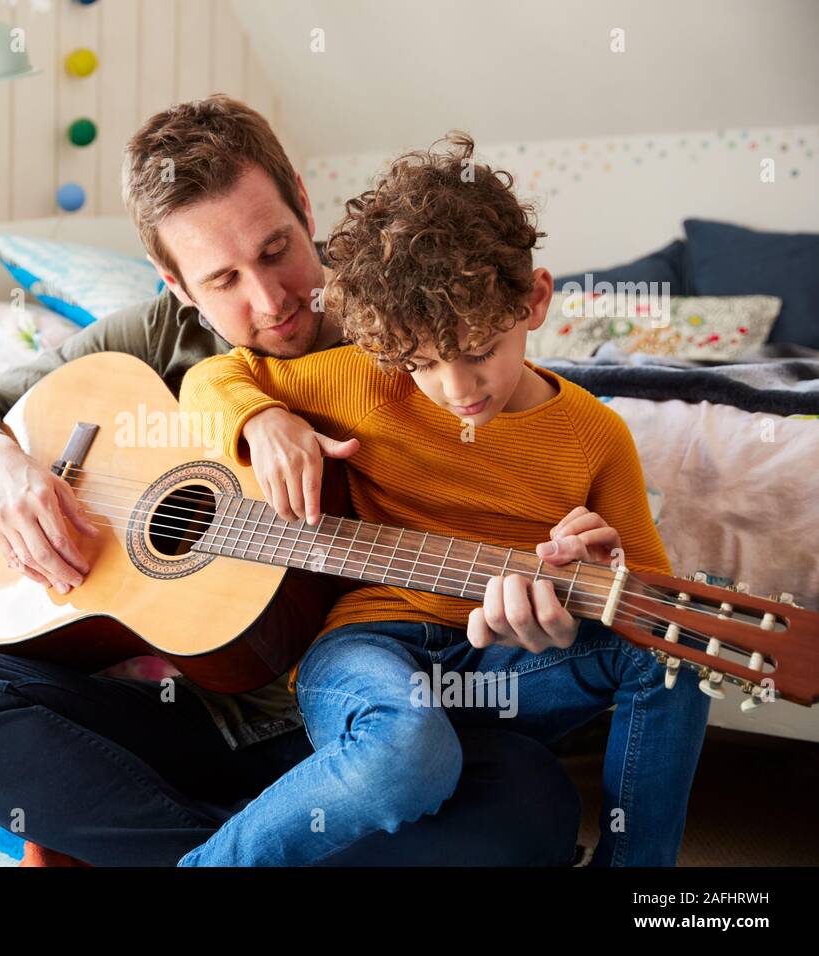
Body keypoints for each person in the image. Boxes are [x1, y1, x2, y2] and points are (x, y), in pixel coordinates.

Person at [0, 98, 582, 866]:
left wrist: (540, 583)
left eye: (278, 248)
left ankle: (191, 846)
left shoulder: (409, 324)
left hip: (367, 732)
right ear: (175, 283)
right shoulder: (155, 336)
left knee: (533, 802)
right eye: (221, 278)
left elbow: (522, 462)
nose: (270, 300)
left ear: (302, 200)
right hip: (195, 724)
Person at [176, 131, 711, 867]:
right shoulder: (367, 379)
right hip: (369, 647)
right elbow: (207, 380)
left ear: (534, 300)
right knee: (406, 752)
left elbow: (646, 603)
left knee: (680, 641)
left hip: (504, 665)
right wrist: (260, 418)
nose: (457, 390)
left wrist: (599, 574)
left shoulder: (596, 434)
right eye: (423, 363)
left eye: (477, 349)